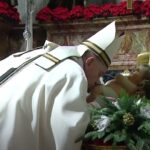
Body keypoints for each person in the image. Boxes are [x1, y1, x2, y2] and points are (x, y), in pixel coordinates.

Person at [0, 21, 123, 150]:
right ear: (89, 61)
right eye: (99, 74)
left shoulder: (36, 54)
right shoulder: (73, 73)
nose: (97, 82)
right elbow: (69, 131)